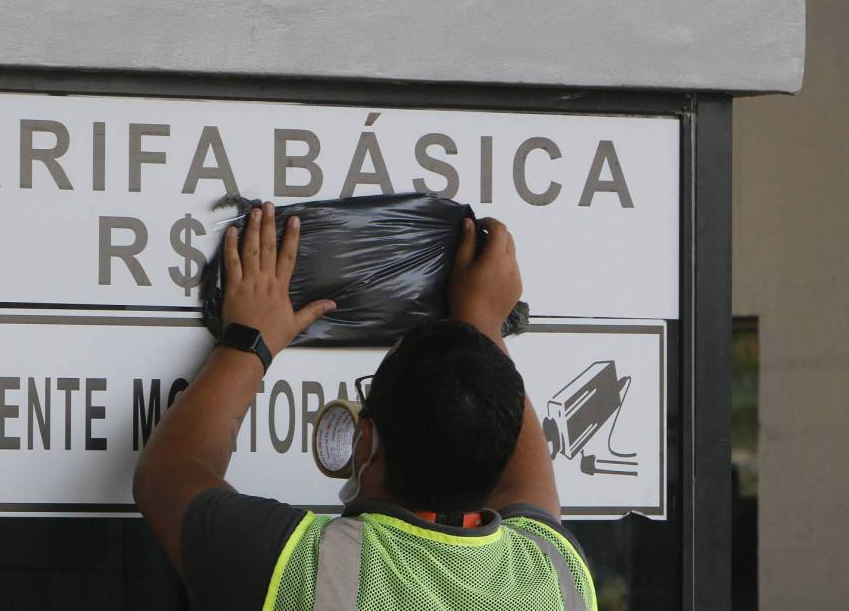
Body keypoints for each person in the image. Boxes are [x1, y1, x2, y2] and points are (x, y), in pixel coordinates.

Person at [133, 201, 596, 610]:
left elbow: (168, 475)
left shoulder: (300, 570)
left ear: (365, 441)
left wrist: (249, 340)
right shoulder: (555, 578)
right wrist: (484, 324)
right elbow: (531, 489)